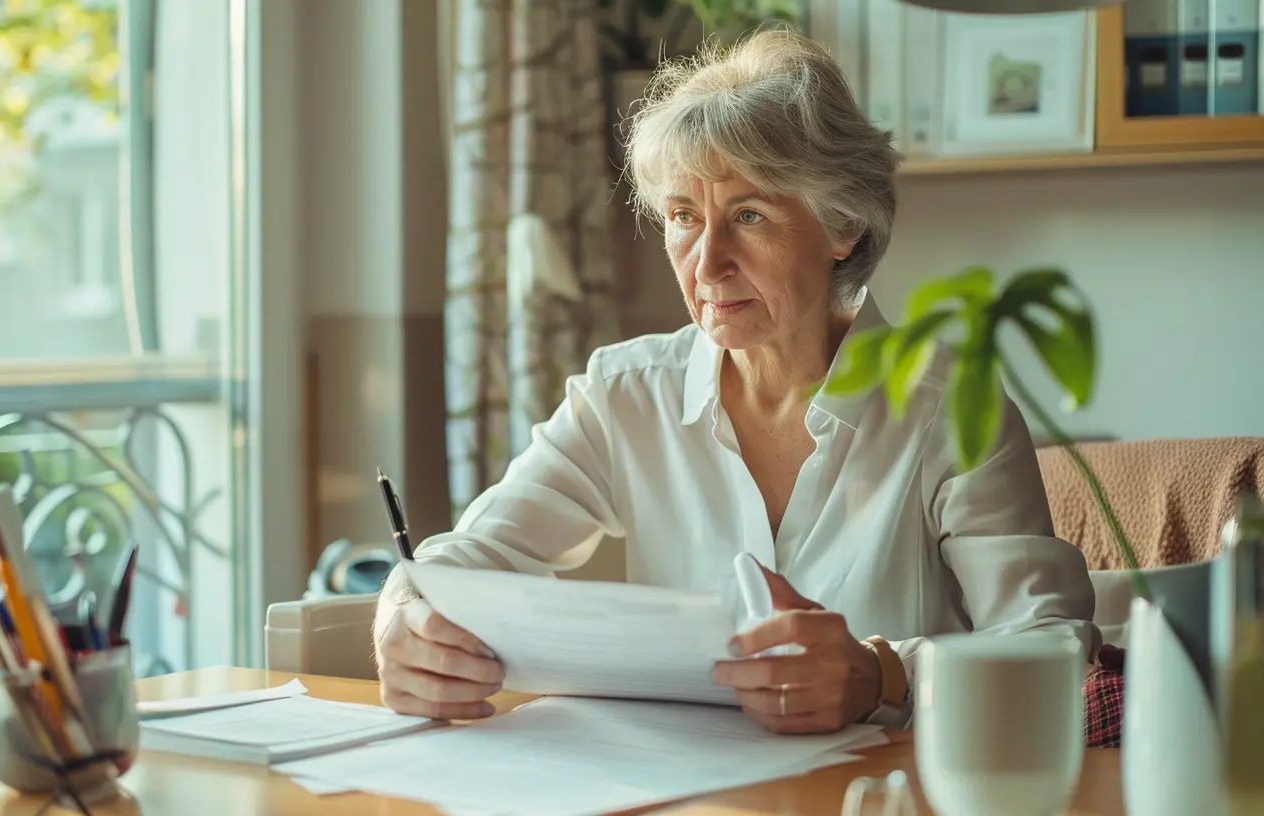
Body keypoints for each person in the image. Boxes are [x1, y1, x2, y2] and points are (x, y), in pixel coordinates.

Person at [372, 29, 1097, 733]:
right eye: (684, 216)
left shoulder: (946, 409)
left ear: (842, 225)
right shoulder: (623, 396)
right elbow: (471, 556)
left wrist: (883, 673)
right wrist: (403, 609)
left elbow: (1053, 646)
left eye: (748, 215)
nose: (707, 262)